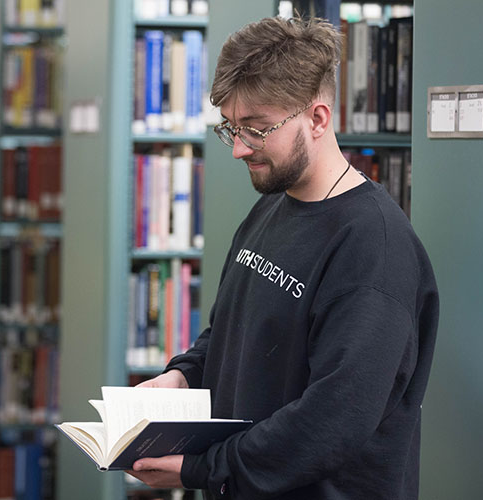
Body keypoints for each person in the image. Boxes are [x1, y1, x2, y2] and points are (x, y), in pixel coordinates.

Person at [126, 15, 439, 500]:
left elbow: (332, 420)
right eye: (231, 129)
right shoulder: (273, 204)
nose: (239, 149)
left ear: (317, 119)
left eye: (256, 129)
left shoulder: (374, 249)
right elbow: (232, 331)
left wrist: (204, 469)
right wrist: (182, 377)